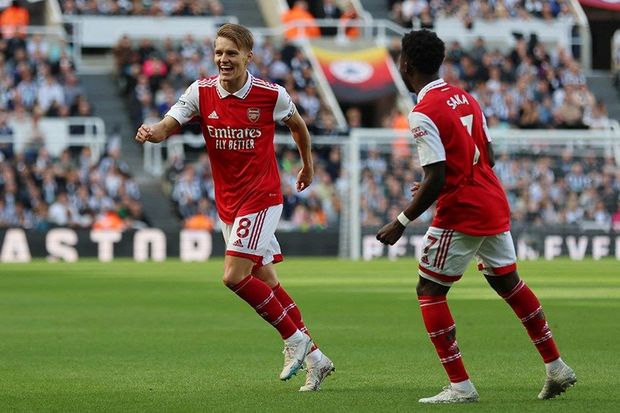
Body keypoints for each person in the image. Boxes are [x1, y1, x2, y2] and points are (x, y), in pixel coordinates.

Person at [376, 29, 576, 404]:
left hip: (462, 211)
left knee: (429, 291)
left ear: (405, 65)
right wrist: (435, 181)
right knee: (509, 284)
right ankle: (556, 366)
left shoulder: (422, 113)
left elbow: (437, 176)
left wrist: (400, 222)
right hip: (492, 200)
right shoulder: (466, 97)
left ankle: (461, 387)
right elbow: (489, 157)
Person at [134, 23, 334, 391]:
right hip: (229, 203)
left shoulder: (270, 95)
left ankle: (294, 339)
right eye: (218, 52)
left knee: (233, 276)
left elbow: (298, 127)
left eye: (231, 53)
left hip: (262, 196)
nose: (223, 59)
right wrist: (152, 131)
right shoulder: (200, 92)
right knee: (266, 281)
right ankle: (317, 360)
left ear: (248, 57)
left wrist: (307, 166)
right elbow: (166, 126)